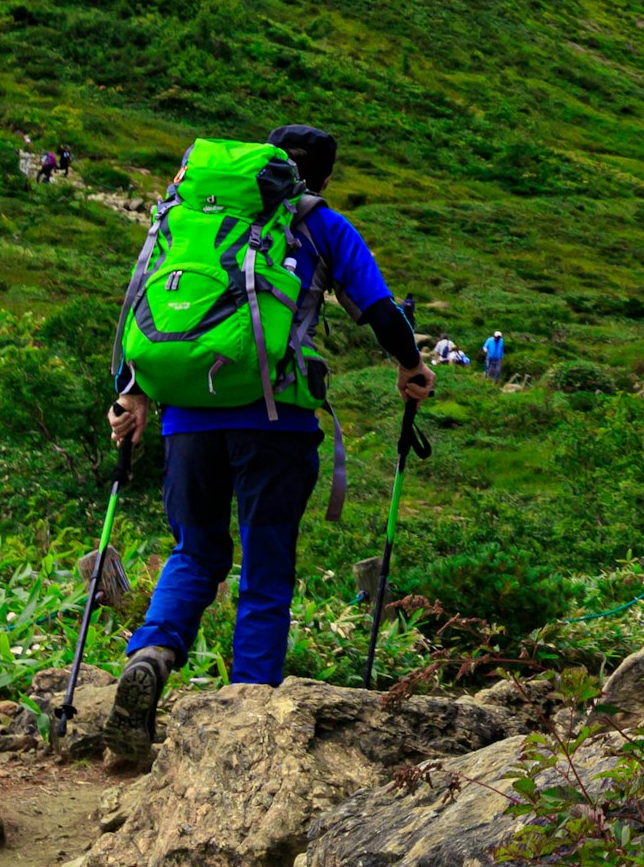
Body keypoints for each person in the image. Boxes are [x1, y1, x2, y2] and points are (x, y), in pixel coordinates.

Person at [105, 125, 430, 754]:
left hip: (187, 417)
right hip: (277, 423)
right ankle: (246, 717)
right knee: (265, 564)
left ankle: (150, 653)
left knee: (195, 551)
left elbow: (148, 305)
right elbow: (383, 313)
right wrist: (411, 366)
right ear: (327, 177)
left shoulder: (196, 216)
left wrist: (133, 393)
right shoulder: (322, 226)